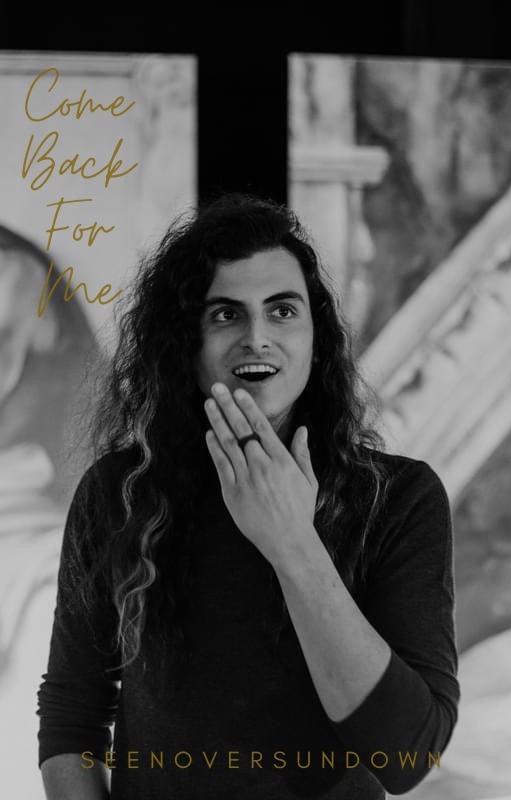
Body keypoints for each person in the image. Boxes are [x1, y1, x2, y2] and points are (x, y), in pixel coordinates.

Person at [37, 193, 460, 800]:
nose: (256, 337)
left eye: (282, 311)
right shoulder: (118, 492)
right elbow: (72, 714)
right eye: (225, 315)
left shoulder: (397, 498)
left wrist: (293, 544)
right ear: (186, 341)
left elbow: (406, 756)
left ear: (317, 337)